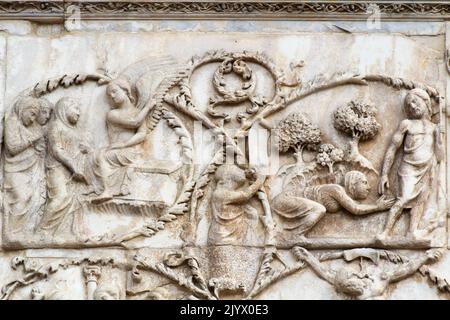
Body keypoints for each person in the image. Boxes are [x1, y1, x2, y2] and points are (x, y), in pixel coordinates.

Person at [378, 88, 443, 240]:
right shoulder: (406, 124)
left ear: (426, 101)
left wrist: (439, 138)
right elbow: (392, 149)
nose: (412, 106)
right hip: (408, 168)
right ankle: (385, 232)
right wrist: (384, 174)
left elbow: (440, 156)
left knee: (419, 202)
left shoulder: (434, 128)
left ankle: (412, 232)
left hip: (426, 168)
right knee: (404, 198)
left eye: (415, 101)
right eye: (408, 105)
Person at [272, 170, 394, 236]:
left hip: (288, 201)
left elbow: (356, 206)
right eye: (364, 182)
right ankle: (295, 235)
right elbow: (356, 209)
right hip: (285, 199)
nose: (369, 188)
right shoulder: (337, 189)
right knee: (319, 209)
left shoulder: (343, 196)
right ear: (352, 184)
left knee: (319, 208)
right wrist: (377, 207)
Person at [293, 246, 442, 300]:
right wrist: (307, 257)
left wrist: (425, 257)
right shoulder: (341, 282)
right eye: (347, 288)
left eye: (352, 280)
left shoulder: (377, 280)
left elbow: (405, 270)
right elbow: (324, 272)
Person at [38, 97, 94, 237]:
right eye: (75, 108)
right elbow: (57, 149)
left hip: (73, 172)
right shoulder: (56, 126)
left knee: (75, 200)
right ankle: (42, 231)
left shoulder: (73, 130)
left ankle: (68, 233)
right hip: (57, 168)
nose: (79, 113)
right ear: (64, 108)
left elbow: (79, 148)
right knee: (60, 197)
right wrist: (73, 166)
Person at [92, 77, 154, 203]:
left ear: (125, 90)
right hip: (119, 150)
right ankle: (106, 188)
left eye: (114, 91)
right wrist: (147, 107)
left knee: (103, 156)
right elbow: (134, 122)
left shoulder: (137, 112)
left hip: (132, 150)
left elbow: (142, 134)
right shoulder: (112, 114)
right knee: (100, 155)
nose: (112, 96)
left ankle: (107, 191)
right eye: (109, 95)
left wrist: (124, 144)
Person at [4, 96, 47, 233]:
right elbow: (12, 148)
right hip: (14, 169)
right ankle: (13, 232)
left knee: (35, 199)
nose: (33, 119)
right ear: (23, 109)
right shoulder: (12, 122)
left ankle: (24, 232)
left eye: (36, 115)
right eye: (32, 114)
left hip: (31, 169)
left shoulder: (33, 128)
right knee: (22, 198)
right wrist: (32, 140)